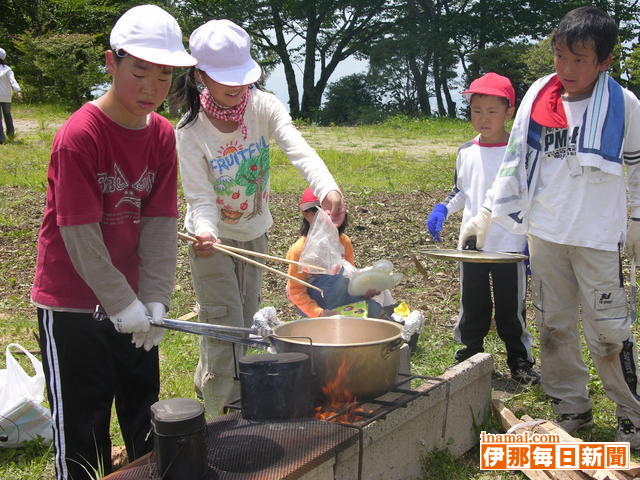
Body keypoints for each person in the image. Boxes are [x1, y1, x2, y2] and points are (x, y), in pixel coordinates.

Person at [459, 6, 640, 445]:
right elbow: (515, 163)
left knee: (609, 331)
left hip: (597, 238)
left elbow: (636, 168)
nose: (568, 68)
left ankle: (631, 414)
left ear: (604, 61)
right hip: (544, 233)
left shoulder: (626, 105)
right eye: (561, 56)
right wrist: (486, 214)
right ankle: (570, 406)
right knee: (554, 325)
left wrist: (636, 222)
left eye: (580, 60)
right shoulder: (541, 94)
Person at [30, 5, 196, 479]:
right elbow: (79, 235)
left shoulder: (162, 135)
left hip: (136, 301)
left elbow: (161, 224)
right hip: (73, 304)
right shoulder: (79, 137)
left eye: (164, 77)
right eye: (139, 72)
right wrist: (122, 302)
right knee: (85, 421)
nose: (151, 89)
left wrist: (156, 299)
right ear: (111, 63)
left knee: (145, 411)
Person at [172, 19, 346, 416]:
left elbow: (298, 148)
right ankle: (223, 411)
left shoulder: (263, 106)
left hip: (254, 231)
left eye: (241, 77)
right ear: (201, 75)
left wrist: (327, 188)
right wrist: (205, 232)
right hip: (209, 240)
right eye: (223, 78)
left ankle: (209, 379)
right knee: (223, 322)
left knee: (245, 316)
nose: (235, 87)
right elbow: (199, 197)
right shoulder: (190, 131)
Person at [426, 73, 539, 385]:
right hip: (472, 245)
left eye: (492, 111)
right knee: (472, 305)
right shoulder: (466, 151)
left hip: (510, 245)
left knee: (510, 310)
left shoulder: (518, 153)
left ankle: (520, 361)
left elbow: (531, 196)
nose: (484, 118)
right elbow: (461, 191)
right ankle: (469, 353)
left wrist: (530, 240)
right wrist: (442, 210)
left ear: (509, 112)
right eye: (477, 111)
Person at [286, 187, 386, 318]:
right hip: (315, 304)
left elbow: (350, 280)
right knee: (338, 273)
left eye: (332, 211)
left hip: (341, 300)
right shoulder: (299, 249)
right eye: (317, 211)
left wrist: (364, 290)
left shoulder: (344, 242)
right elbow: (296, 291)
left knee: (374, 308)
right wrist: (319, 313)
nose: (326, 217)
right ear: (305, 214)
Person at [0, 47, 23, 144]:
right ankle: (11, 135)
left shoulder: (7, 69)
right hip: (6, 96)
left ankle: (1, 139)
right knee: (7, 115)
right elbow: (13, 81)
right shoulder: (7, 69)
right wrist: (18, 91)